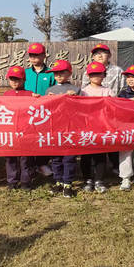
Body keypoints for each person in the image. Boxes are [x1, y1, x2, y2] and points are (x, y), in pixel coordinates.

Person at [82, 43, 124, 175]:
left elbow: (123, 89)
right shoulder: (87, 71)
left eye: (103, 52)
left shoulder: (118, 70)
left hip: (111, 110)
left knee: (111, 138)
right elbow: (83, 92)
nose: (100, 55)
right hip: (92, 114)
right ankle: (93, 168)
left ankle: (115, 165)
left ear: (109, 55)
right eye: (96, 53)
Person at [45, 60, 80, 198]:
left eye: (61, 72)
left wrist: (75, 98)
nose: (58, 75)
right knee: (56, 158)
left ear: (69, 73)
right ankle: (58, 181)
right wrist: (46, 99)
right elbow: (45, 110)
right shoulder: (49, 90)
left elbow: (81, 110)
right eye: (56, 73)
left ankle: (68, 183)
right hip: (55, 128)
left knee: (69, 158)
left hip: (70, 129)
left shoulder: (75, 90)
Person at [80, 62, 114, 194]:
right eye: (92, 74)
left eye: (98, 74)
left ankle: (99, 180)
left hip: (102, 127)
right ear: (88, 76)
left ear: (104, 75)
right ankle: (87, 179)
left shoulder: (108, 91)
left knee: (100, 155)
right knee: (86, 156)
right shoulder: (83, 91)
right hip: (86, 128)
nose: (95, 77)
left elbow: (115, 107)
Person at [2, 66, 38, 190]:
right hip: (10, 130)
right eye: (12, 79)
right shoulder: (6, 95)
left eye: (17, 79)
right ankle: (12, 181)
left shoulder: (30, 94)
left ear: (24, 80)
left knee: (25, 158)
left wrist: (38, 99)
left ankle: (25, 181)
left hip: (25, 130)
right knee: (10, 157)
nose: (14, 82)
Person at [24, 42, 56, 177]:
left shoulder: (51, 73)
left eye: (37, 55)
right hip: (27, 111)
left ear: (44, 56)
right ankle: (30, 165)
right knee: (29, 137)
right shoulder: (25, 73)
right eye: (31, 55)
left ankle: (42, 164)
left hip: (45, 111)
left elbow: (56, 90)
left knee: (44, 137)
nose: (34, 58)